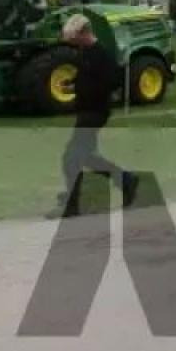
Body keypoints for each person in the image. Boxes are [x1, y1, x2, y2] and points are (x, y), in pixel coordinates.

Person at [51, 14, 139, 218]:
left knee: (70, 158)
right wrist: (72, 84)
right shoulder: (85, 52)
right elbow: (85, 77)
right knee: (86, 157)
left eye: (74, 38)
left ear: (84, 33)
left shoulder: (102, 55)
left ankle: (72, 206)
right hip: (86, 110)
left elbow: (112, 82)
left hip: (96, 112)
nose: (72, 43)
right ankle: (126, 181)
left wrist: (80, 86)